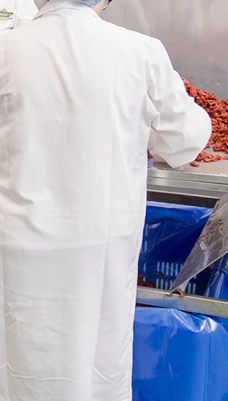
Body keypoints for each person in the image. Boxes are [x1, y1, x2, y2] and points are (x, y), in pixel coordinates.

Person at [0, 0, 212, 399]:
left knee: (19, 360)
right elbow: (184, 141)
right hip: (100, 244)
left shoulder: (6, 50)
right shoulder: (140, 51)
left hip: (20, 245)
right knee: (97, 362)